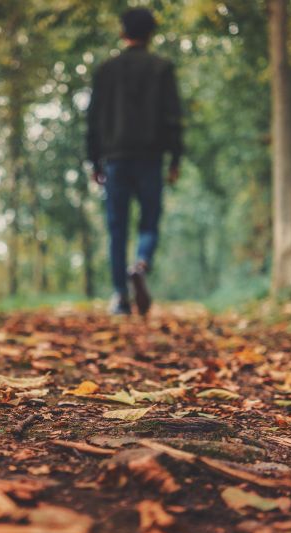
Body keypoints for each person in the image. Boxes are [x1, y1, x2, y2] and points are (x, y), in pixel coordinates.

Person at [87, 8, 183, 316]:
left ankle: (119, 297)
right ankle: (141, 262)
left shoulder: (106, 70)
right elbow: (173, 116)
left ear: (122, 32)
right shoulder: (162, 68)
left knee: (117, 228)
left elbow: (93, 119)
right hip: (150, 158)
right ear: (151, 34)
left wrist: (94, 161)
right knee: (149, 221)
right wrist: (175, 158)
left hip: (115, 159)